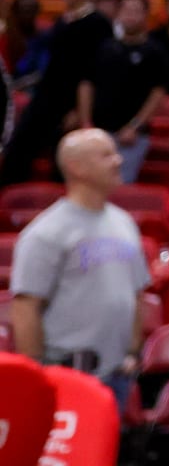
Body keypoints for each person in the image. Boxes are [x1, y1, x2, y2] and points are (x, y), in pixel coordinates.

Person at [10, 130, 150, 411]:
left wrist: (133, 352)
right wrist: (40, 376)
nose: (118, 160)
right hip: (67, 375)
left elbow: (136, 294)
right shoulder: (46, 232)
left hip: (117, 374)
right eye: (106, 155)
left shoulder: (124, 222)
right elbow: (26, 309)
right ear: (76, 167)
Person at [0, 0, 113, 185]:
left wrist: (79, 112)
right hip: (45, 99)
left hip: (70, 104)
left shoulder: (98, 25)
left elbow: (91, 75)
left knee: (63, 166)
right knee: (16, 154)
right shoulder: (62, 21)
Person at [75, 0, 169, 184]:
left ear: (146, 15)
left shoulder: (155, 51)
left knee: (120, 186)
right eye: (126, 10)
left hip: (132, 135)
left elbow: (158, 93)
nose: (130, 15)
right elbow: (86, 84)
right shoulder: (103, 48)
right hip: (98, 131)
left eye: (136, 11)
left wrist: (135, 126)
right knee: (91, 184)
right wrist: (86, 123)